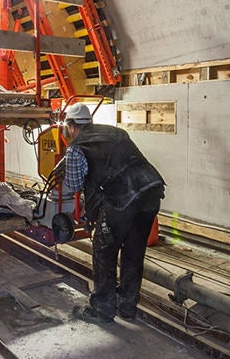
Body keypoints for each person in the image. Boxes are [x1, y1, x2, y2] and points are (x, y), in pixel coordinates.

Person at [55, 102, 165, 324]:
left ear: (72, 126)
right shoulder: (116, 132)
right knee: (134, 252)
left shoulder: (76, 147)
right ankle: (127, 307)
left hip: (123, 199)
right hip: (151, 191)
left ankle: (102, 309)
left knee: (104, 250)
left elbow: (74, 185)